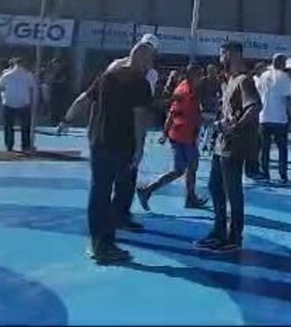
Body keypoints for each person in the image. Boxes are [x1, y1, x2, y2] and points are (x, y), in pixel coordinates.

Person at [82, 37, 157, 264]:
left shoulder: (108, 75)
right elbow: (139, 117)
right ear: (141, 57)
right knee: (116, 189)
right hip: (121, 143)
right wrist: (140, 147)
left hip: (100, 141)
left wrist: (73, 122)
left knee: (99, 192)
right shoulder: (140, 81)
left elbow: (88, 100)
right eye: (150, 58)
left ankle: (99, 242)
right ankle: (106, 244)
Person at [196, 41, 262, 253]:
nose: (220, 57)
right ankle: (218, 231)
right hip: (221, 144)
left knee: (232, 191)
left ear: (233, 54)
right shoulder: (230, 80)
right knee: (215, 187)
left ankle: (233, 237)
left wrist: (233, 127)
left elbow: (254, 107)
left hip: (234, 145)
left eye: (222, 53)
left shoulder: (244, 80)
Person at [137, 65, 209, 210]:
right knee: (186, 167)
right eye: (199, 75)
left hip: (183, 133)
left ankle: (188, 196)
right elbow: (174, 113)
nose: (201, 78)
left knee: (182, 169)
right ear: (191, 76)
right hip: (183, 134)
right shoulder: (185, 92)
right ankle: (150, 190)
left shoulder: (187, 89)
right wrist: (166, 131)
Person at [256, 54, 291, 184]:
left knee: (264, 148)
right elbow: (288, 100)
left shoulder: (263, 76)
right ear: (282, 63)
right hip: (280, 118)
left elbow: (258, 94)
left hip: (264, 116)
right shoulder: (285, 77)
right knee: (282, 148)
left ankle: (265, 173)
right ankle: (283, 174)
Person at [0, 58, 36, 152]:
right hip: (22, 103)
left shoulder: (6, 75)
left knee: (9, 126)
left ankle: (10, 145)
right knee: (25, 126)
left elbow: (1, 87)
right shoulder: (28, 75)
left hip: (10, 103)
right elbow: (32, 88)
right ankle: (25, 145)